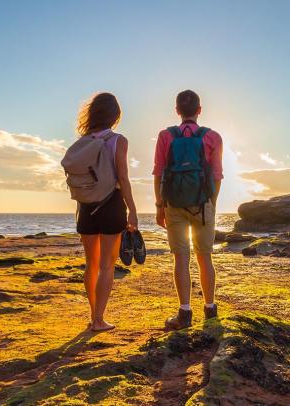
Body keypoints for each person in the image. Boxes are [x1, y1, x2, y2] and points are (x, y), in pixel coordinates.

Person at [153, 90, 223, 330]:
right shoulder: (212, 137)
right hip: (203, 205)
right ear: (199, 110)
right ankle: (210, 309)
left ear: (177, 111)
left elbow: (159, 173)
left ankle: (184, 314)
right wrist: (210, 202)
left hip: (174, 205)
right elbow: (216, 176)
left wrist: (159, 205)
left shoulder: (166, 136)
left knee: (180, 259)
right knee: (205, 258)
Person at [75, 92, 138, 332]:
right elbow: (123, 176)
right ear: (115, 116)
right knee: (106, 266)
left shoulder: (84, 141)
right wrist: (132, 210)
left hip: (86, 207)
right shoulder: (117, 140)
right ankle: (99, 320)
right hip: (111, 204)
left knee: (90, 264)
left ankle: (94, 316)